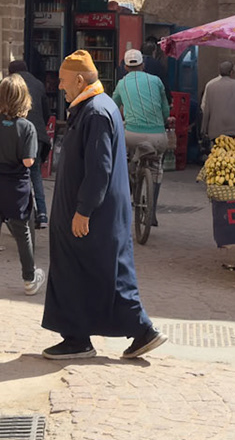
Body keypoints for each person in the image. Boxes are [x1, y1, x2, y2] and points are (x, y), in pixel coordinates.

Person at [40, 51, 166, 362]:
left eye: (64, 81)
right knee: (92, 273)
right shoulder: (94, 106)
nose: (60, 87)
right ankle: (78, 336)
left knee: (103, 273)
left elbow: (100, 168)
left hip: (93, 214)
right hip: (94, 213)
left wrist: (83, 210)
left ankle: (135, 330)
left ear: (80, 80)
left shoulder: (96, 112)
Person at [0, 76, 44, 307]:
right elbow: (28, 161)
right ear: (24, 100)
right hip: (16, 188)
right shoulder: (27, 128)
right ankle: (29, 279)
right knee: (23, 235)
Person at [113, 47, 170, 224]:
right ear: (143, 65)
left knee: (122, 153)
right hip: (158, 137)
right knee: (157, 169)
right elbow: (165, 109)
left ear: (126, 67)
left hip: (132, 135)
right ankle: (151, 212)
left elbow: (113, 107)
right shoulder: (156, 81)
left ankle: (128, 173)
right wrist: (164, 120)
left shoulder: (122, 83)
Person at [6, 59, 51, 229]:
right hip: (37, 135)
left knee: (11, 174)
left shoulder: (7, 84)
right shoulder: (38, 84)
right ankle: (43, 213)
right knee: (36, 173)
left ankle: (12, 214)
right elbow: (46, 112)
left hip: (14, 135)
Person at [200, 61, 235, 146]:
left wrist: (204, 130)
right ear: (231, 72)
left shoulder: (211, 87)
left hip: (215, 132)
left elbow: (206, 110)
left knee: (218, 156)